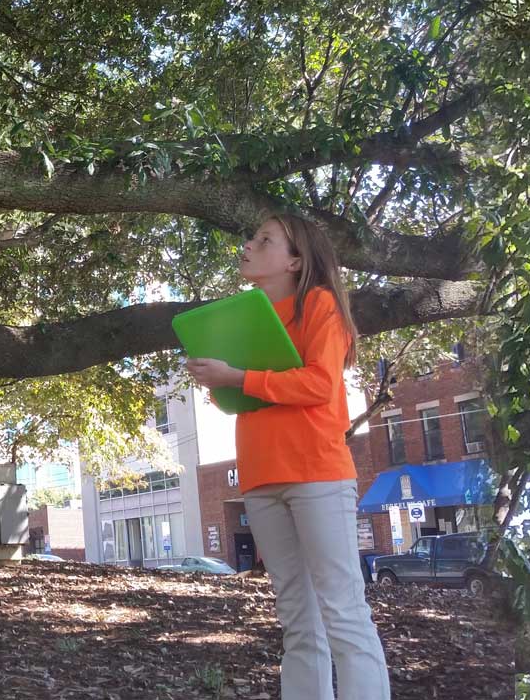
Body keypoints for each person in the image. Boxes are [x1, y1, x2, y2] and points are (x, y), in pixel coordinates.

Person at [185, 214, 390, 700]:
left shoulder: (319, 305)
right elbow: (240, 398)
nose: (249, 245)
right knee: (297, 617)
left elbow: (321, 384)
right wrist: (218, 381)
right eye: (252, 237)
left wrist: (238, 377)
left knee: (343, 612)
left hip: (316, 473)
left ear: (295, 261)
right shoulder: (245, 316)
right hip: (260, 478)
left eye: (264, 240)